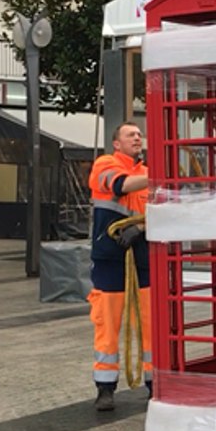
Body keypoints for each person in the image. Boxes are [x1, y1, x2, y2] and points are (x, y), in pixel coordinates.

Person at [87, 121, 151, 412]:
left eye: (139, 134)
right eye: (131, 135)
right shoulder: (105, 164)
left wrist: (141, 227)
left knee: (150, 323)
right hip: (110, 256)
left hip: (144, 256)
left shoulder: (149, 173)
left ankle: (154, 382)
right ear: (117, 143)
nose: (137, 138)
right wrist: (162, 176)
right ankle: (105, 387)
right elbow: (120, 185)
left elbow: (162, 209)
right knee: (107, 323)